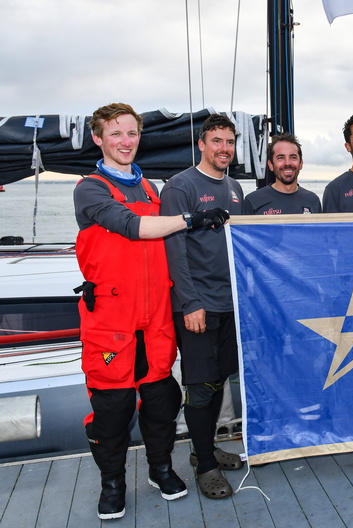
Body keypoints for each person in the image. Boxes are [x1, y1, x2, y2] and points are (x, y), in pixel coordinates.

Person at [74, 103, 228, 520]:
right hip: (112, 320)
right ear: (99, 138)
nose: (126, 142)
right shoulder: (90, 189)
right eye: (116, 134)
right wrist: (192, 218)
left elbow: (167, 246)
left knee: (161, 399)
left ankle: (161, 469)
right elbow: (133, 227)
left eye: (132, 134)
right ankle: (113, 484)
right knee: (113, 407)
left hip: (155, 317)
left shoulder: (151, 191)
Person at [160, 114, 246, 499]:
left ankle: (205, 449)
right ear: (201, 143)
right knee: (199, 386)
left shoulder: (235, 188)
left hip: (230, 305)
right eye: (216, 141)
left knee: (220, 379)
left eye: (229, 142)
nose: (223, 148)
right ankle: (206, 467)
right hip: (198, 306)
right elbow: (173, 249)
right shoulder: (180, 187)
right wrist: (190, 302)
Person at [244, 133, 321, 214]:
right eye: (280, 158)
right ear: (271, 165)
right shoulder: (253, 201)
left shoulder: (313, 200)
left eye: (293, 157)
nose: (287, 163)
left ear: (301, 164)